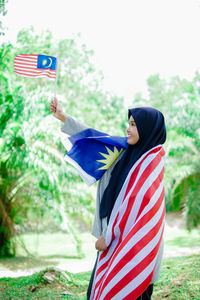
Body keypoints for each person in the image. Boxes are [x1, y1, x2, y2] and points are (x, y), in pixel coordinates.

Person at [49, 98, 166, 300]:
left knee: (133, 292)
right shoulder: (122, 150)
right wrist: (62, 117)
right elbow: (93, 135)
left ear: (147, 128)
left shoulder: (151, 164)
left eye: (134, 124)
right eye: (128, 124)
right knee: (98, 290)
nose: (128, 129)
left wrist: (109, 236)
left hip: (134, 246)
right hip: (110, 239)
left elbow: (138, 209)